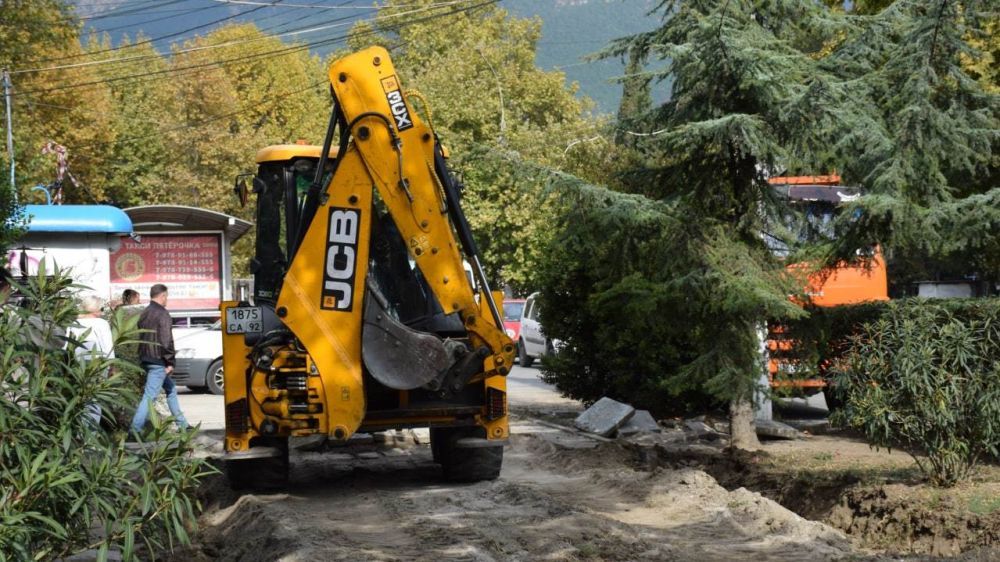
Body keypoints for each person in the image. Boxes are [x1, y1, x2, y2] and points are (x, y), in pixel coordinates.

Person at [129, 284, 188, 437]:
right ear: (162, 296)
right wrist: (170, 362)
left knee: (171, 389)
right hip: (158, 361)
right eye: (166, 296)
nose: (167, 299)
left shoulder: (145, 312)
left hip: (146, 358)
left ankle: (183, 425)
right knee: (149, 397)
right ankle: (134, 431)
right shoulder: (162, 314)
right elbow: (166, 340)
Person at [68, 295, 115, 426]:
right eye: (101, 308)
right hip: (97, 365)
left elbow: (66, 345)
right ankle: (90, 435)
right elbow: (108, 347)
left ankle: (80, 431)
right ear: (94, 309)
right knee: (94, 399)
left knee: (79, 397)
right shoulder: (101, 323)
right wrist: (112, 366)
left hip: (76, 364)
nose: (102, 312)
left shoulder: (74, 323)